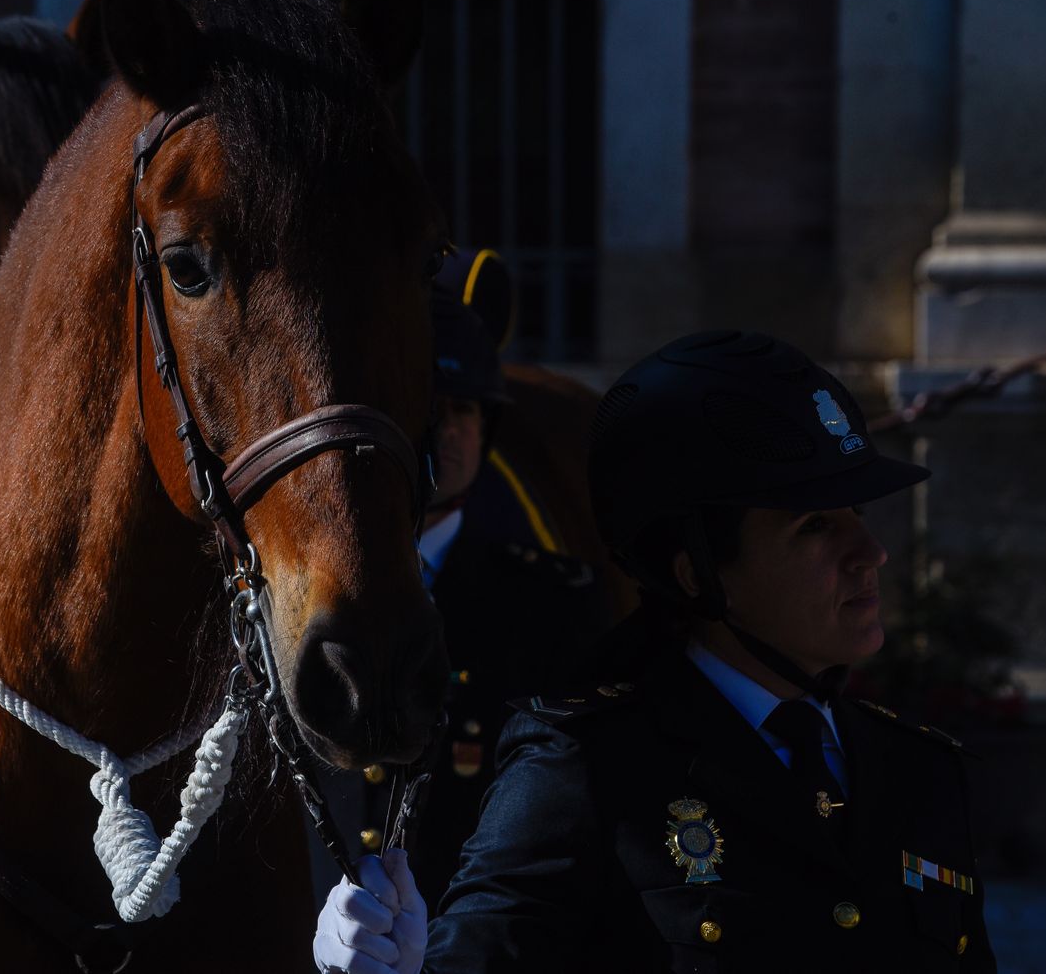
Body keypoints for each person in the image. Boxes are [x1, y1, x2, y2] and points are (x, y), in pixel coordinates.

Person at [314, 330, 995, 973]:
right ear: (694, 572)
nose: (870, 554)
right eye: (815, 525)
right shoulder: (586, 767)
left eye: (860, 517)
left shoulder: (922, 771)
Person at [312, 272, 603, 914]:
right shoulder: (305, 590)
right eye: (431, 404)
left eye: (467, 409)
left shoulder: (553, 603)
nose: (449, 428)